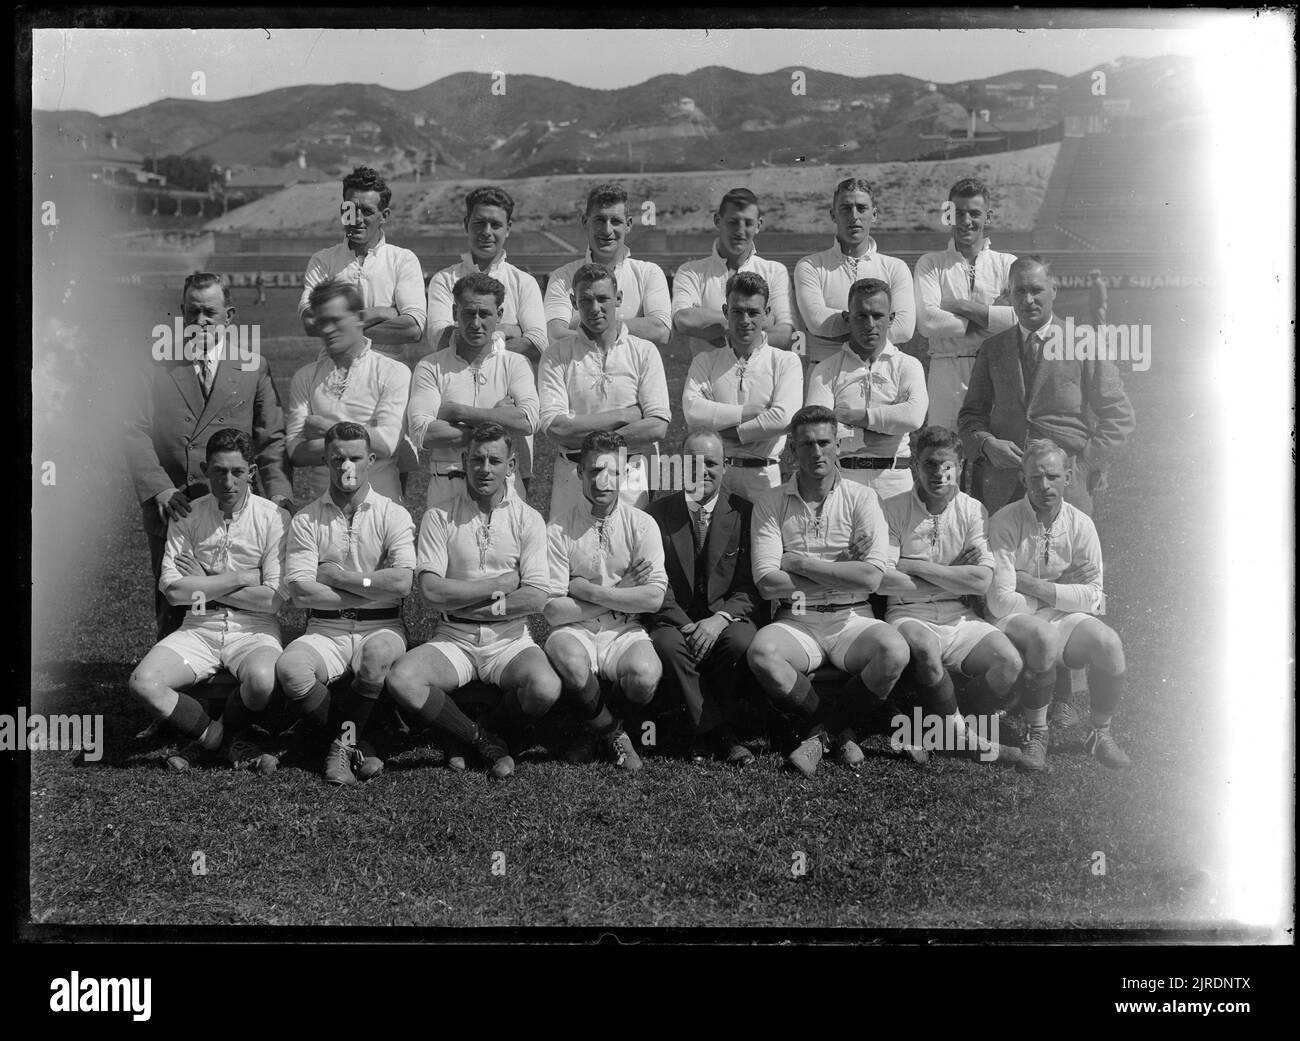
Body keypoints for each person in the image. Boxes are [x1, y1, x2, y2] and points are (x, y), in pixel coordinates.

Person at [385, 423, 559, 780]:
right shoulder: (438, 516)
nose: (484, 468)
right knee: (403, 679)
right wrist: (498, 584)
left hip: (509, 638)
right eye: (477, 459)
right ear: (464, 461)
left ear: (511, 466)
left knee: (546, 687)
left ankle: (465, 733)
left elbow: (536, 596)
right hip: (454, 636)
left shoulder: (529, 519)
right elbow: (431, 592)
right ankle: (481, 739)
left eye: (495, 460)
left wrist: (478, 605)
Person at [125, 271, 291, 641]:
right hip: (176, 506)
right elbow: (133, 431)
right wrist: (160, 490)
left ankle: (234, 678)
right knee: (177, 599)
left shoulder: (252, 365)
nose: (200, 322)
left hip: (235, 506)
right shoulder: (154, 366)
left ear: (229, 317)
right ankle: (175, 680)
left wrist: (279, 495)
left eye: (209, 314)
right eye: (192, 312)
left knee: (238, 597)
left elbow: (271, 439)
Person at [747, 405, 910, 777]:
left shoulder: (863, 497)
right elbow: (769, 584)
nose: (816, 452)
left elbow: (870, 578)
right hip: (797, 617)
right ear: (791, 450)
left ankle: (819, 736)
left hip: (853, 616)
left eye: (824, 442)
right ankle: (843, 729)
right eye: (806, 444)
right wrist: (841, 568)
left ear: (839, 445)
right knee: (762, 653)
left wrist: (803, 564)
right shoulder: (771, 502)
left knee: (894, 650)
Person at [128, 428, 289, 773]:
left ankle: (211, 740)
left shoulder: (274, 517)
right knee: (143, 682)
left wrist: (203, 575)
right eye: (218, 471)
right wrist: (241, 577)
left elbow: (272, 601)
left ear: (253, 473)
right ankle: (217, 738)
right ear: (205, 469)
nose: (227, 481)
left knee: (262, 680)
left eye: (237, 472)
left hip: (254, 628)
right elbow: (173, 590)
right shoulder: (187, 514)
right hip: (199, 622)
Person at [276, 422, 415, 786]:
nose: (346, 467)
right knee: (291, 669)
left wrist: (339, 578)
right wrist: (372, 586)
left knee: (375, 658)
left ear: (371, 459)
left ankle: (339, 743)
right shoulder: (307, 518)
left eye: (355, 458)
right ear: (325, 460)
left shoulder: (393, 513)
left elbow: (402, 583)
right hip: (325, 626)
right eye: (337, 459)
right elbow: (302, 591)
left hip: (382, 625)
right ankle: (358, 741)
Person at [878, 426, 1022, 765]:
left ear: (961, 466)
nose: (938, 474)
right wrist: (952, 574)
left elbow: (980, 581)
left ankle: (944, 719)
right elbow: (884, 580)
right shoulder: (892, 508)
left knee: (1009, 663)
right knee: (925, 647)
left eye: (947, 466)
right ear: (915, 465)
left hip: (960, 616)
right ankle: (957, 734)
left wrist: (914, 564)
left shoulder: (974, 510)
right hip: (908, 612)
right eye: (929, 464)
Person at [985, 440, 1132, 772]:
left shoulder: (1081, 524)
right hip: (1010, 619)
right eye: (1036, 478)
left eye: (1053, 476)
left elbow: (1095, 598)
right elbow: (999, 600)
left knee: (1109, 643)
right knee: (1044, 637)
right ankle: (1037, 732)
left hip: (1059, 615)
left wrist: (1030, 583)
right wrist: (1066, 590)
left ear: (1068, 477)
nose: (1044, 486)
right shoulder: (1005, 521)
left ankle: (1099, 733)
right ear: (1023, 480)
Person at [958, 255, 1135, 517]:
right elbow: (970, 416)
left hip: (1066, 484)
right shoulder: (993, 349)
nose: (1028, 299)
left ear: (1054, 290)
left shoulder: (1084, 344)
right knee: (1003, 557)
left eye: (1036, 290)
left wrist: (1086, 464)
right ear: (1010, 294)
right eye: (1020, 291)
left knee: (1064, 557)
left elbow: (1119, 416)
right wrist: (986, 444)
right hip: (1004, 485)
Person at [543, 430, 667, 773]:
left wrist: (589, 591)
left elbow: (653, 598)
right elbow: (553, 610)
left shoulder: (642, 524)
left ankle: (590, 730)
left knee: (645, 676)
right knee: (570, 660)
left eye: (613, 472)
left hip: (623, 629)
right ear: (579, 473)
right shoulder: (557, 529)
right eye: (594, 471)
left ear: (625, 474)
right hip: (574, 628)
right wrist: (622, 592)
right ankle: (615, 735)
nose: (603, 481)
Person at [643, 431, 760, 766]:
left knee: (738, 641)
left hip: (725, 617)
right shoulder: (655, 515)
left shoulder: (745, 513)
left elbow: (749, 585)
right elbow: (655, 583)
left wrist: (718, 620)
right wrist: (688, 624)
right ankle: (718, 733)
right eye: (693, 462)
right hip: (675, 617)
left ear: (725, 467)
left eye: (711, 463)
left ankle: (702, 730)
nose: (702, 471)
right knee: (668, 644)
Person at [424, 186, 546, 487]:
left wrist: (474, 336)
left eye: (495, 224)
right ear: (466, 224)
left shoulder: (524, 282)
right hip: (456, 435)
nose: (486, 232)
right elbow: (442, 339)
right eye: (479, 223)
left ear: (509, 229)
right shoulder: (444, 280)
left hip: (508, 419)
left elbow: (538, 345)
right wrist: (509, 331)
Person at [538, 263, 671, 518]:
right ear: (573, 302)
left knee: (632, 554)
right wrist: (622, 415)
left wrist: (582, 429)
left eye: (602, 299)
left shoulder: (643, 351)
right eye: (586, 300)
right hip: (573, 475)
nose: (595, 308)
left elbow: (656, 427)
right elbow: (556, 428)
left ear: (618, 298)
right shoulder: (556, 355)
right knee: (571, 555)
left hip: (630, 476)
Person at [406, 273, 538, 511]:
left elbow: (528, 421)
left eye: (485, 314)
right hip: (447, 485)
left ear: (499, 315)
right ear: (455, 312)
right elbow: (423, 433)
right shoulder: (430, 366)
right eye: (469, 313)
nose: (476, 323)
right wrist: (497, 422)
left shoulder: (516, 363)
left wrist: (457, 411)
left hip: (504, 486)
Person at [681, 271, 803, 502]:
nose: (745, 320)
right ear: (726, 312)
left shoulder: (786, 361)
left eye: (753, 312)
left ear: (767, 314)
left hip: (764, 479)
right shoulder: (705, 360)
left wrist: (722, 434)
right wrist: (753, 413)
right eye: (737, 311)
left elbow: (783, 418)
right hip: (715, 480)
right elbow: (693, 411)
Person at [286, 280, 411, 503]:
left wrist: (328, 430)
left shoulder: (393, 372)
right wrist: (364, 438)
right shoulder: (305, 377)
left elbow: (386, 444)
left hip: (380, 506)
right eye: (322, 322)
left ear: (360, 319)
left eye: (336, 321)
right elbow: (296, 451)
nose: (327, 329)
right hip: (322, 510)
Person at [805, 277, 927, 502]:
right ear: (847, 318)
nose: (870, 324)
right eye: (861, 316)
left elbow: (913, 417)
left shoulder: (908, 365)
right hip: (844, 478)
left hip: (895, 479)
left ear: (890, 319)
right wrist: (885, 427)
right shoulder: (826, 369)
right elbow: (817, 432)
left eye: (878, 316)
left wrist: (855, 418)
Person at [913, 178, 1018, 431]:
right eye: (958, 213)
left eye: (974, 213)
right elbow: (928, 323)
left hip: (996, 369)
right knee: (946, 456)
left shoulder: (1007, 264)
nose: (966, 221)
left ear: (988, 216)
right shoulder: (930, 263)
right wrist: (992, 316)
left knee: (993, 454)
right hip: (946, 371)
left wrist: (958, 305)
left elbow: (1017, 320)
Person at [297, 165, 427, 357]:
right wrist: (381, 313)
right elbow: (310, 323)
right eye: (350, 209)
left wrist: (336, 325)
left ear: (384, 216)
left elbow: (412, 329)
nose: (356, 218)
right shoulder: (322, 260)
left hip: (387, 377)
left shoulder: (403, 260)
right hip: (334, 374)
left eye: (366, 211)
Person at [793, 177, 915, 368]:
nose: (854, 216)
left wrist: (837, 330)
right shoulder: (810, 266)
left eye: (861, 208)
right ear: (833, 215)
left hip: (880, 373)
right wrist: (875, 327)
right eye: (846, 208)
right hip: (825, 372)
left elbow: (904, 328)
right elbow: (817, 321)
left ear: (874, 214)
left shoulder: (895, 268)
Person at [544, 182, 671, 348]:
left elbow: (660, 331)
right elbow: (555, 335)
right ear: (585, 222)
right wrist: (633, 326)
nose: (607, 229)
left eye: (616, 221)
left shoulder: (649, 273)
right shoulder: (562, 277)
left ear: (629, 225)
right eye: (600, 220)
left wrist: (583, 323)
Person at [671, 187, 794, 358]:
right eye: (733, 222)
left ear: (758, 225)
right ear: (717, 220)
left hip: (761, 380)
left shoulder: (774, 271)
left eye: (748, 223)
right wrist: (759, 322)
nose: (740, 231)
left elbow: (785, 334)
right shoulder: (691, 272)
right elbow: (683, 320)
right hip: (706, 380)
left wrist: (718, 329)